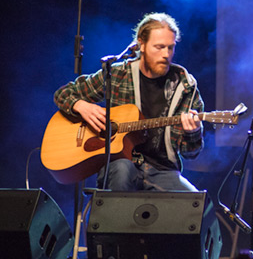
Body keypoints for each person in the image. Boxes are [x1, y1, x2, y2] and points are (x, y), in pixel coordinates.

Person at [54, 12, 205, 191]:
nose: (166, 54)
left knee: (197, 205)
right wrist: (80, 105)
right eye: (159, 47)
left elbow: (191, 153)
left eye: (170, 48)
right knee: (122, 171)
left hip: (163, 170)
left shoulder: (185, 85)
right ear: (141, 44)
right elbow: (63, 94)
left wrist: (193, 132)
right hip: (122, 164)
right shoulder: (118, 74)